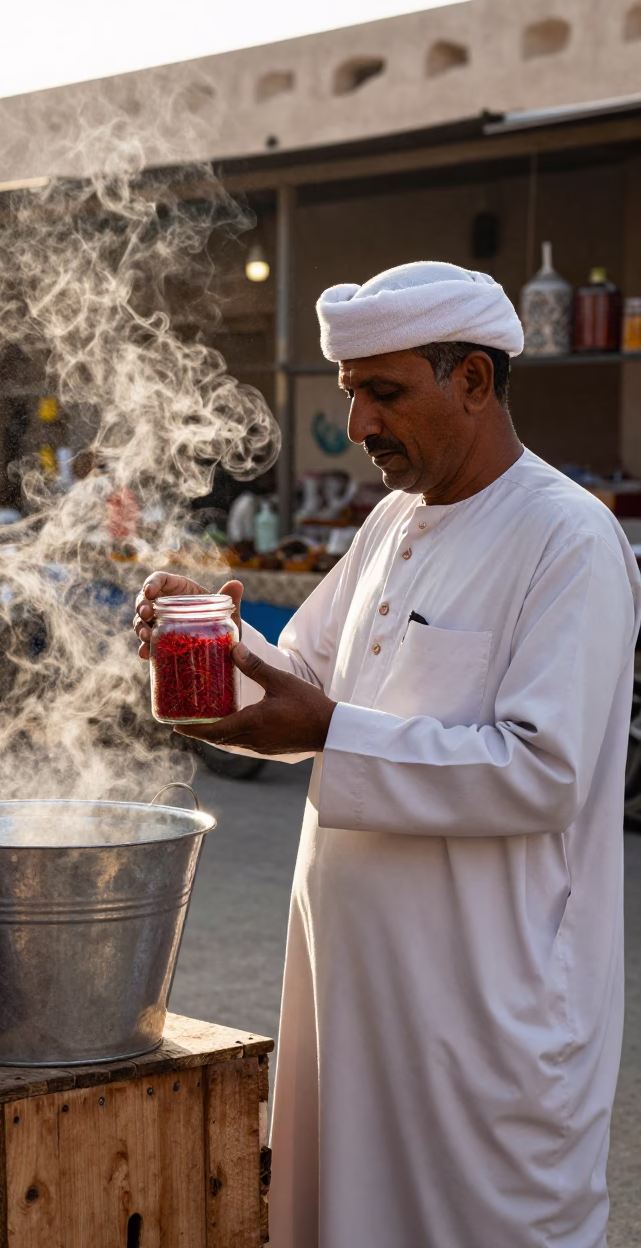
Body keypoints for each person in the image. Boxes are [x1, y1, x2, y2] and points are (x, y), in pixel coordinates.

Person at [134, 261, 641, 1248]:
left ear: (474, 381)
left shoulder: (567, 537)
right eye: (350, 392)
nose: (359, 423)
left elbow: (543, 773)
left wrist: (331, 729)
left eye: (385, 392)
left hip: (482, 1017)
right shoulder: (391, 521)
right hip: (353, 1001)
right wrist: (213, 648)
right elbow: (304, 677)